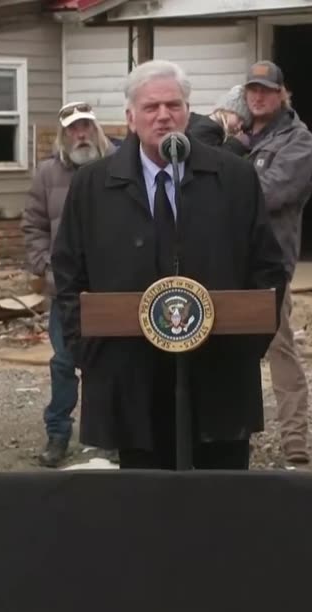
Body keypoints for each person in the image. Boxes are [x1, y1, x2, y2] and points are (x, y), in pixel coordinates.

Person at [51, 59, 286, 470]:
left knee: (221, 501)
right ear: (129, 118)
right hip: (131, 371)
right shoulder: (93, 184)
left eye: (173, 106)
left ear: (188, 110)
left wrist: (248, 346)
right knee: (147, 506)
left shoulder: (233, 177)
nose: (163, 117)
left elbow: (267, 265)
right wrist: (88, 350)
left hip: (218, 368)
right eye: (151, 107)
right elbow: (70, 272)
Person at [22, 100, 115, 467]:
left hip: (109, 289)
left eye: (86, 126)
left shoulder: (116, 167)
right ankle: (57, 434)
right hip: (65, 291)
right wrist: (46, 268)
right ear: (63, 135)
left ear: (96, 129)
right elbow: (33, 227)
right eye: (73, 129)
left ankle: (106, 435)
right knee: (63, 363)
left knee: (108, 364)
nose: (81, 134)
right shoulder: (46, 174)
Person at [243, 60, 312, 468]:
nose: (258, 96)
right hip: (227, 260)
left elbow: (269, 194)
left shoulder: (299, 141)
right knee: (228, 352)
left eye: (266, 90)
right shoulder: (234, 133)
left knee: (280, 349)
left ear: (281, 94)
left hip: (270, 264)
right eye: (252, 89)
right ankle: (235, 432)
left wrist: (226, 175)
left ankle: (294, 441)